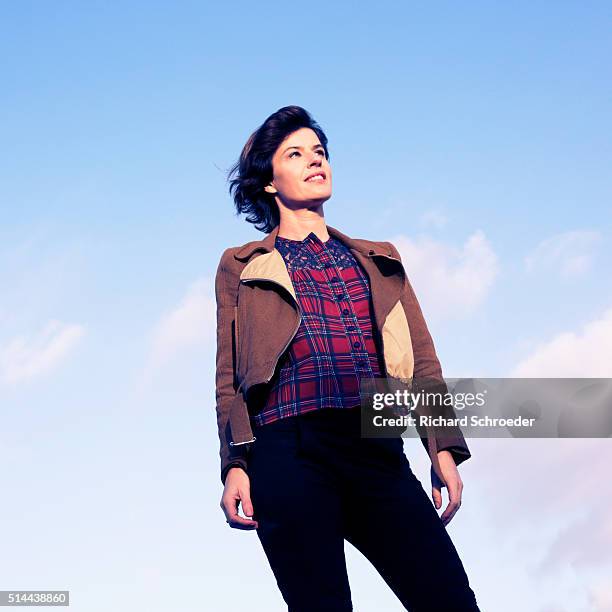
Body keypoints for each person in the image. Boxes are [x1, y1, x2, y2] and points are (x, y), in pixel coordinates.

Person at [215, 105, 480, 611]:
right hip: (287, 450)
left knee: (449, 599)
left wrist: (441, 446)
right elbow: (229, 379)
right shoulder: (240, 266)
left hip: (374, 444)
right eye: (295, 154)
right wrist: (235, 463)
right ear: (269, 181)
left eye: (319, 151)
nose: (315, 161)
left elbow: (422, 362)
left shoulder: (379, 259)